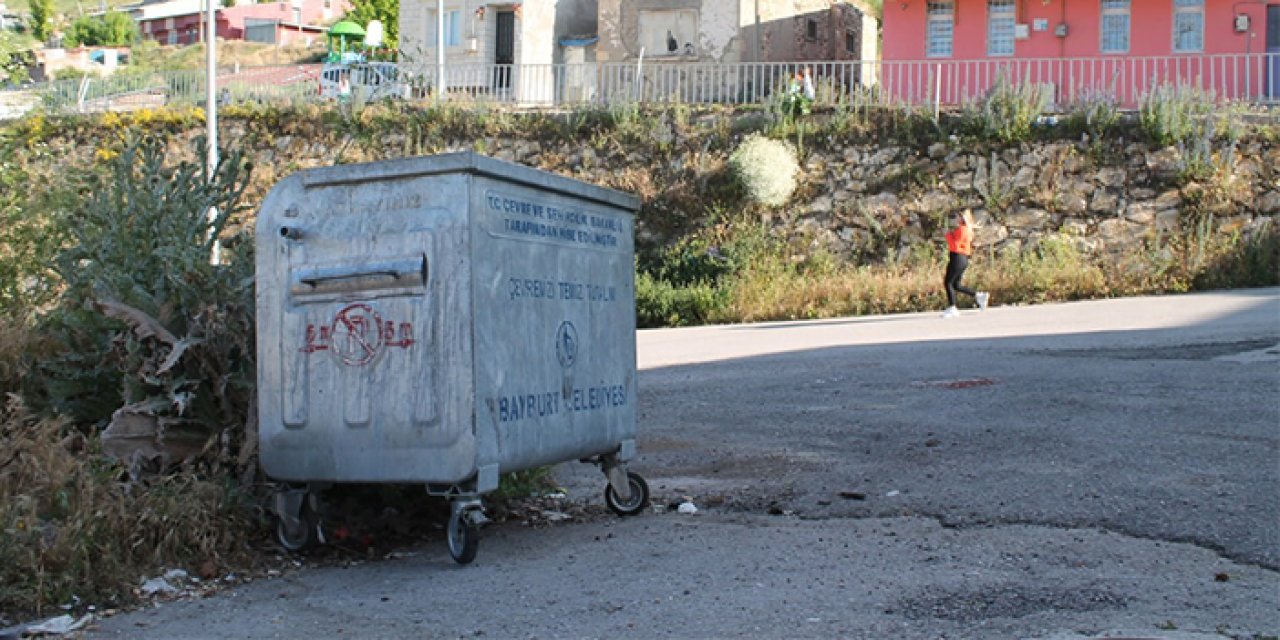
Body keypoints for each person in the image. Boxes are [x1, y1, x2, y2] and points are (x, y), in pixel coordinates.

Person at [942, 209, 989, 318]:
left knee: (948, 283)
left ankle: (952, 307)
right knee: (956, 285)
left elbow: (955, 245)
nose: (956, 219)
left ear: (963, 218)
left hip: (957, 257)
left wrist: (948, 235)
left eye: (958, 216)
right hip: (963, 259)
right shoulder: (967, 230)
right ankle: (979, 296)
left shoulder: (962, 230)